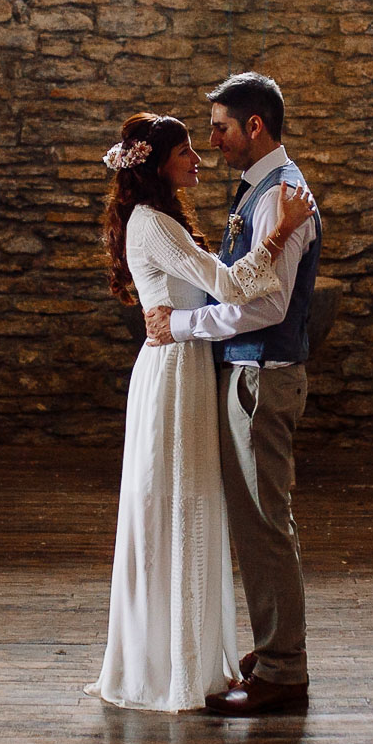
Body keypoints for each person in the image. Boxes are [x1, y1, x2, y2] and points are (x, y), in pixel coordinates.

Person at [87, 112, 316, 713]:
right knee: (178, 504)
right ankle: (174, 664)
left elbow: (207, 287)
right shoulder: (156, 224)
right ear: (159, 164)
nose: (199, 157)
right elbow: (231, 286)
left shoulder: (159, 219)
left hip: (185, 364)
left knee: (187, 502)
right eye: (186, 149)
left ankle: (190, 648)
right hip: (174, 372)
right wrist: (277, 234)